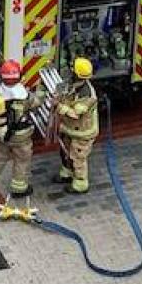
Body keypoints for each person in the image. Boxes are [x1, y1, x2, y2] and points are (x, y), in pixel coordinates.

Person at [0, 60, 43, 199]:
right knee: (21, 161)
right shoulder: (24, 95)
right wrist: (41, 90)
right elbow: (36, 102)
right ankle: (19, 188)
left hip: (3, 134)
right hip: (21, 137)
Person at [54, 57, 99, 195]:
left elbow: (75, 114)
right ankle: (67, 172)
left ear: (76, 73)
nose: (70, 69)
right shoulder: (75, 84)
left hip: (82, 133)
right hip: (70, 129)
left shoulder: (87, 96)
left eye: (72, 68)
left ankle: (80, 183)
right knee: (66, 151)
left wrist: (58, 106)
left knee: (78, 157)